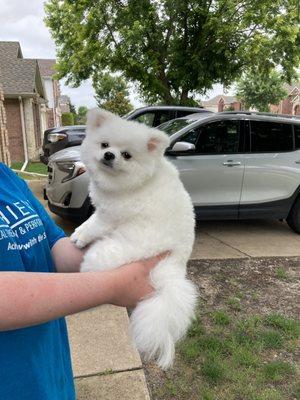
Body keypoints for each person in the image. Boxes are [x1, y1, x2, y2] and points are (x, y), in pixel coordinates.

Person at [0, 162, 163, 400]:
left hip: (49, 381)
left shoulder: (6, 176)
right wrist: (114, 285)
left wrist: (123, 252)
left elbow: (54, 246)